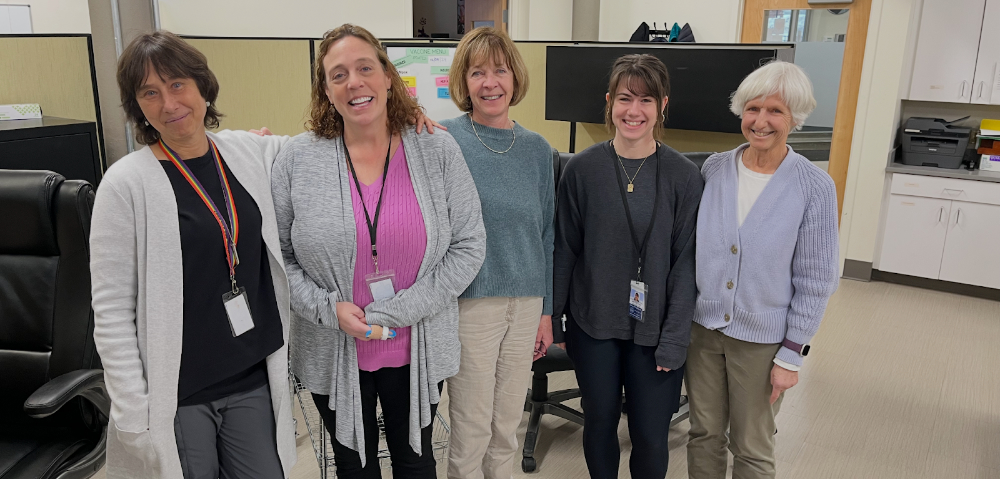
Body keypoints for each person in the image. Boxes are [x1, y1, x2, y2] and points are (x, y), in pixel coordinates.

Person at [271, 23, 486, 478]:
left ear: (388, 76)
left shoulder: (435, 148)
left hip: (417, 341)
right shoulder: (297, 159)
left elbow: (469, 246)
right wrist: (328, 309)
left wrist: (395, 312)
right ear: (326, 90)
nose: (354, 82)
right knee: (354, 466)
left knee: (415, 462)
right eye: (339, 74)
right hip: (333, 343)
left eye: (365, 68)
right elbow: (279, 258)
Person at [91, 31, 296, 478]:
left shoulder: (246, 152)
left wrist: (399, 116)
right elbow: (110, 311)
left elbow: (326, 145)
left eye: (177, 84)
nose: (169, 103)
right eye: (150, 92)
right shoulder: (125, 185)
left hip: (251, 374)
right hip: (179, 392)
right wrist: (133, 414)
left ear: (203, 86)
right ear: (137, 105)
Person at [552, 54, 703, 479]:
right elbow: (565, 249)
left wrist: (675, 339)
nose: (633, 111)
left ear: (662, 105)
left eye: (646, 100)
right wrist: (555, 320)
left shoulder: (684, 176)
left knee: (651, 436)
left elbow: (686, 264)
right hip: (593, 325)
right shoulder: (581, 170)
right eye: (624, 98)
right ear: (609, 102)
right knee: (599, 424)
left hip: (656, 331)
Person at [685, 60, 839, 479]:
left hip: (762, 342)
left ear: (795, 117)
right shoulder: (714, 169)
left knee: (752, 446)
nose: (761, 121)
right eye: (753, 109)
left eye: (775, 111)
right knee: (703, 434)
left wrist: (791, 355)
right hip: (703, 332)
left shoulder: (814, 187)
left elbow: (817, 280)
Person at [438, 27, 555, 479]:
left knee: (507, 426)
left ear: (514, 77)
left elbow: (546, 234)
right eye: (477, 72)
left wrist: (546, 311)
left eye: (500, 71)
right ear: (463, 82)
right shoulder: (444, 139)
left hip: (526, 305)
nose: (490, 83)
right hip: (472, 303)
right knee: (471, 428)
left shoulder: (538, 149)